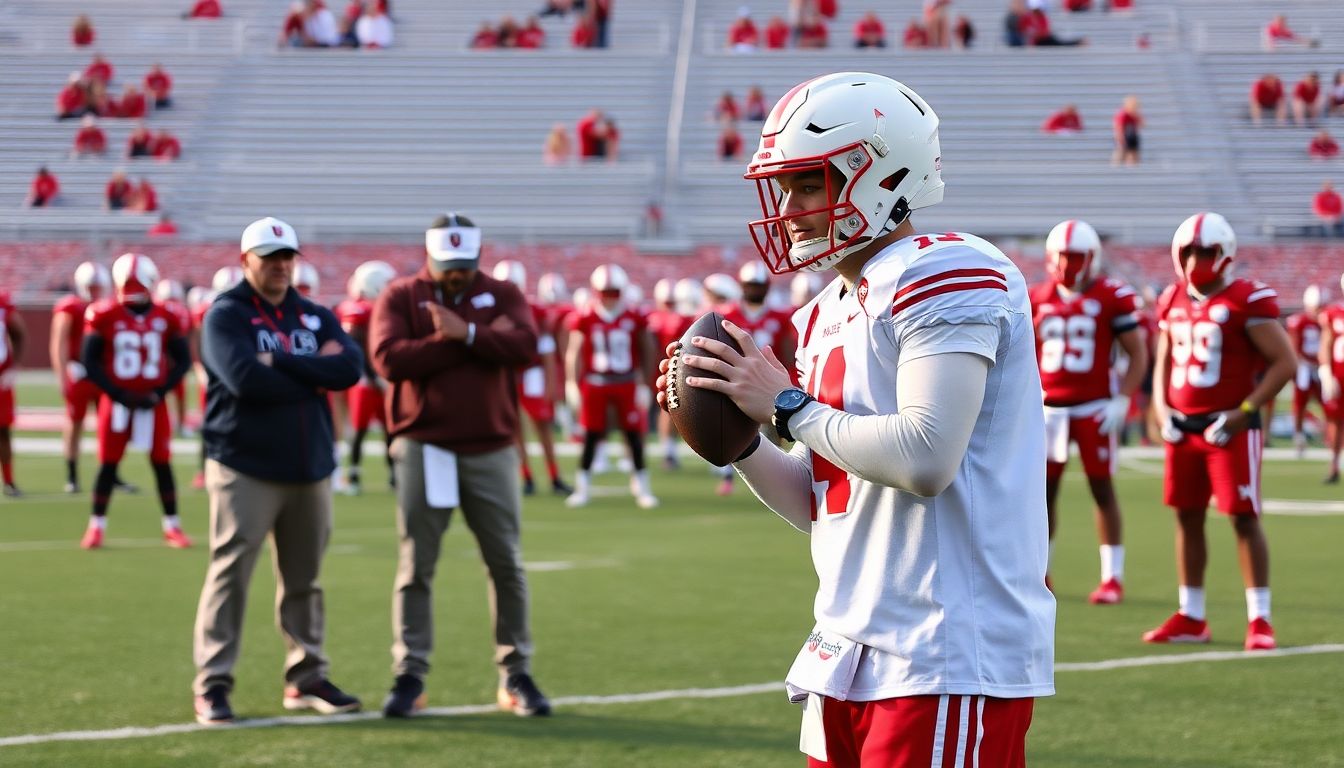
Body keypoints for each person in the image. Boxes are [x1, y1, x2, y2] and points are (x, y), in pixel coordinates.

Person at [661, 72, 1054, 765]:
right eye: (785, 189)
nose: (790, 209)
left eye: (808, 185)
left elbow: (926, 458)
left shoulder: (950, 270)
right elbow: (825, 504)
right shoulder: (822, 312)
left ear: (881, 173)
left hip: (942, 651)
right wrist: (741, 440)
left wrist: (786, 405)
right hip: (845, 646)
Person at [368, 213, 551, 719]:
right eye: (449, 265)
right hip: (423, 444)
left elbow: (525, 346)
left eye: (465, 264)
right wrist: (465, 341)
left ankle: (516, 671)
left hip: (490, 447)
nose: (457, 274)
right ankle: (410, 673)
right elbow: (388, 359)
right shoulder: (400, 296)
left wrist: (466, 332)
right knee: (416, 566)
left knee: (506, 563)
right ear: (429, 256)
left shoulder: (503, 291)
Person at [192, 217, 363, 726]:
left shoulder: (312, 314)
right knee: (231, 574)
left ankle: (307, 676)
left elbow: (349, 369)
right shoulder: (226, 315)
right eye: (270, 258)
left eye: (287, 257)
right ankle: (214, 681)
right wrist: (312, 374)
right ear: (245, 261)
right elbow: (245, 380)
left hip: (309, 464)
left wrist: (279, 362)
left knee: (305, 579)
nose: (281, 266)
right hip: (245, 462)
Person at [1146, 212, 1295, 651]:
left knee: (1243, 517)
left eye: (1206, 252)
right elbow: (1164, 362)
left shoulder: (1248, 299)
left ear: (1225, 254)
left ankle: (1260, 619)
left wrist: (1244, 410)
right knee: (1186, 516)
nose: (1196, 260)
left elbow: (1285, 363)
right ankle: (1192, 614)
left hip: (1229, 428)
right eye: (1189, 251)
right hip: (1183, 427)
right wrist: (1161, 409)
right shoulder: (1171, 298)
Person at [1030, 220, 1147, 603]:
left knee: (1102, 489)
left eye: (1076, 256)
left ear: (1093, 259)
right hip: (1048, 409)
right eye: (1063, 256)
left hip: (1094, 406)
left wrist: (1122, 397)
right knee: (1043, 495)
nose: (1069, 264)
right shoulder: (1035, 297)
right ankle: (1039, 572)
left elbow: (1138, 352)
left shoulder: (1112, 296)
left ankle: (1112, 577)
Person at [78, 253, 192, 549]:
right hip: (116, 404)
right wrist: (117, 394)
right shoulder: (103, 314)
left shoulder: (167, 315)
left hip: (153, 404)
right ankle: (96, 527)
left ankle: (172, 526)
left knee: (161, 463)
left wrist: (159, 392)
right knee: (108, 464)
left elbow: (183, 361)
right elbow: (89, 361)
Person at [564, 264, 657, 508]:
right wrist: (571, 383)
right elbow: (574, 353)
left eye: (614, 292)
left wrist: (645, 384)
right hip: (595, 382)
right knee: (591, 435)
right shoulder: (585, 316)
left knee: (633, 435)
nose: (609, 298)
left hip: (625, 381)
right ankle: (582, 487)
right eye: (605, 292)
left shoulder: (634, 316)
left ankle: (642, 487)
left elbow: (647, 349)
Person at [491, 260, 572, 496]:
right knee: (514, 427)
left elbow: (546, 347)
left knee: (542, 426)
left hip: (530, 372)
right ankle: (526, 476)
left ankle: (554, 475)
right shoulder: (490, 310)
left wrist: (550, 381)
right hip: (505, 372)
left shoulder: (534, 310)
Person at [333, 260, 396, 494]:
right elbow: (357, 347)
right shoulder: (357, 309)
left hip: (381, 377)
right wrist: (375, 376)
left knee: (390, 428)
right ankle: (354, 474)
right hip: (363, 380)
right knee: (360, 428)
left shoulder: (378, 308)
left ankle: (392, 475)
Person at [51, 262, 113, 493]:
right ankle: (72, 475)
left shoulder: (108, 308)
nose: (95, 290)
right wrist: (61, 375)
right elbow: (58, 343)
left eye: (98, 286)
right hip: (78, 373)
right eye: (91, 286)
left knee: (108, 426)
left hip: (102, 374)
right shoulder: (71, 307)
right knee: (75, 423)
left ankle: (110, 473)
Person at [646, 278, 697, 469]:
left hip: (662, 367)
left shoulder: (653, 317)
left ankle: (668, 452)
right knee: (668, 410)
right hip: (674, 368)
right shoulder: (678, 318)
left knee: (667, 410)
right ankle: (668, 452)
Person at [1286, 285, 1326, 458]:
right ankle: (1299, 436)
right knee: (1300, 402)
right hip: (1304, 366)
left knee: (1326, 401)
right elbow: (1294, 347)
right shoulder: (1299, 321)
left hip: (1319, 365)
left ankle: (1329, 435)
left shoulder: (1324, 320)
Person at [1318, 276, 1344, 483]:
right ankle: (1334, 464)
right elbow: (1325, 344)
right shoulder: (1334, 313)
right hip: (1339, 376)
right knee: (1335, 421)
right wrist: (1326, 372)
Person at [0, 291, 26, 497]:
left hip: (0, 376)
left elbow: (19, 333)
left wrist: (13, 366)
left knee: (3, 430)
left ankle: (8, 481)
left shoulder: (2, 302)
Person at [1112, 95, 1142, 166]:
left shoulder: (1134, 115)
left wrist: (1136, 116)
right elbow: (1118, 128)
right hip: (1123, 137)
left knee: (1134, 156)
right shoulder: (1123, 115)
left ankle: (1133, 167)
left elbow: (1142, 124)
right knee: (1120, 154)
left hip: (1132, 137)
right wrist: (1121, 139)